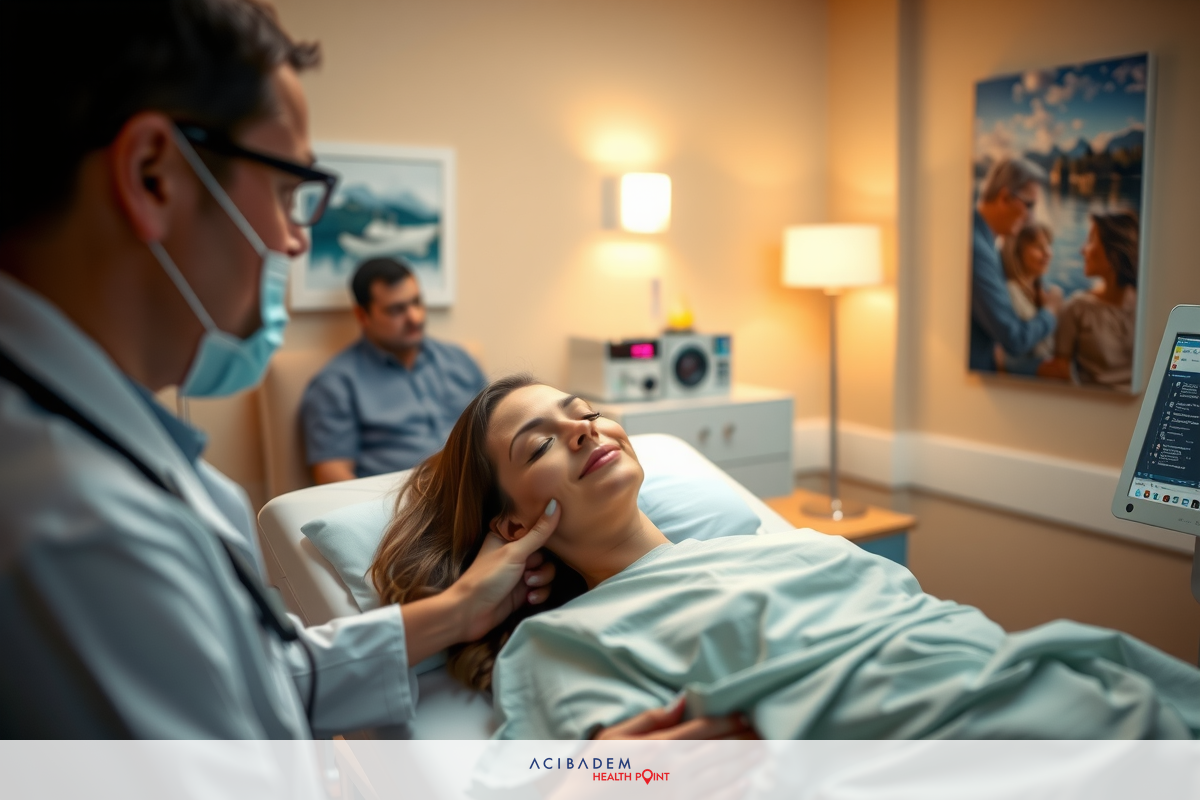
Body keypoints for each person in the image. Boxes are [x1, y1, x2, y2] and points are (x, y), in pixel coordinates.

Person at [0, 0, 741, 742]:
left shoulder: (105, 460)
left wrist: (461, 608)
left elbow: (259, 678)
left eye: (577, 410)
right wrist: (596, 784)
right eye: (289, 190)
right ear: (153, 175)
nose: (295, 240)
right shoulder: (71, 525)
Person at [372, 374, 1200, 739]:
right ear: (512, 526)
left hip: (1031, 680)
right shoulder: (567, 640)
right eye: (539, 443)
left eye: (582, 411)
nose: (585, 428)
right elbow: (582, 775)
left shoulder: (799, 550)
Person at [300, 256, 486, 485]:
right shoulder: (335, 384)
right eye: (396, 310)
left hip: (485, 489)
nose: (414, 317)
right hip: (409, 507)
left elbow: (495, 427)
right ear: (362, 316)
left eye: (416, 302)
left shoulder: (459, 360)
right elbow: (332, 475)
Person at [969, 158, 1060, 374]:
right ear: (1004, 197)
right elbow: (1014, 338)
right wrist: (1051, 311)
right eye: (1029, 205)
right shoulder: (977, 249)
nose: (1032, 218)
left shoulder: (983, 241)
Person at [1038, 212, 1140, 389]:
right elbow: (1059, 373)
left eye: (1091, 241)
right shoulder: (1076, 308)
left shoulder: (1148, 308)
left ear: (1113, 254)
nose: (1082, 250)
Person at [995, 222, 1061, 371]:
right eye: (1039, 247)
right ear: (1017, 252)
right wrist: (1050, 309)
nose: (1048, 253)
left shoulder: (1043, 291)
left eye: (1048, 245)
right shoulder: (1010, 292)